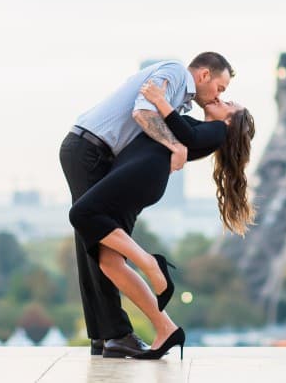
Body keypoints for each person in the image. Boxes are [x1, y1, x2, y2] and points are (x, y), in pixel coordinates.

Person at [59, 52, 233, 358]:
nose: (220, 95)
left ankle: (107, 334)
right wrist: (176, 145)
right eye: (220, 87)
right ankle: (115, 332)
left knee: (96, 247)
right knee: (96, 242)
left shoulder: (182, 100)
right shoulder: (176, 72)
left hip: (96, 153)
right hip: (91, 150)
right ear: (204, 75)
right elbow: (143, 112)